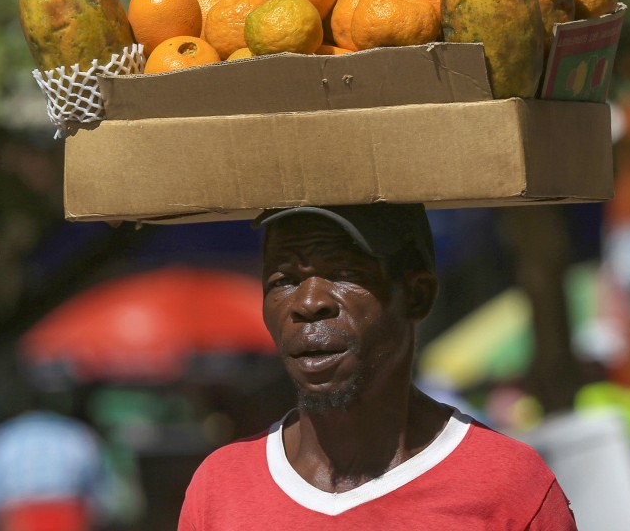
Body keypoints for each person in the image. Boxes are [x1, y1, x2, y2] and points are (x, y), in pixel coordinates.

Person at [178, 203, 577, 529]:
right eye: (283, 280)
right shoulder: (220, 488)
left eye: (344, 273)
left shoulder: (510, 486)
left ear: (417, 296)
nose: (308, 301)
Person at [0, 371, 113, 531]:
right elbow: (103, 499)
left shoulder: (0, 439)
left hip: (17, 520)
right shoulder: (78, 435)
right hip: (68, 519)